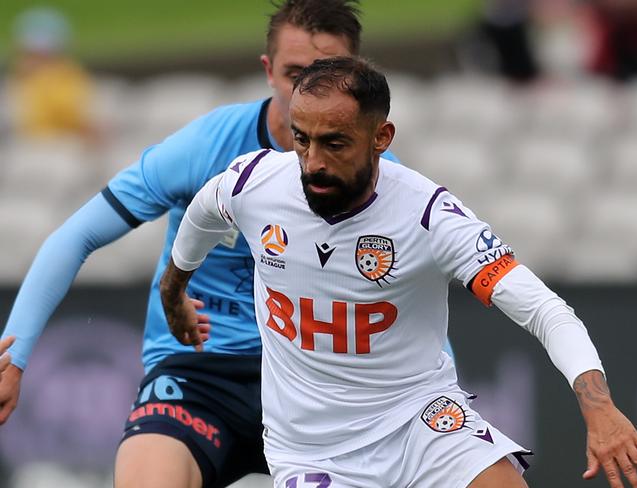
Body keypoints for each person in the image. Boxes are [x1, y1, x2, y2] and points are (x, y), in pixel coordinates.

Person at [0, 1, 453, 487]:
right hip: (199, 374)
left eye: (326, 77)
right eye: (295, 73)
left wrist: (443, 397)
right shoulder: (209, 147)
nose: (307, 94)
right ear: (268, 70)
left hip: (322, 388)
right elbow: (78, 234)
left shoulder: (388, 186)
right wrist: (15, 356)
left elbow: (413, 307)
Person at [160, 56, 637, 487]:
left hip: (421, 419)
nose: (312, 163)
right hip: (314, 449)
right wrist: (174, 287)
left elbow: (545, 310)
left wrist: (599, 407)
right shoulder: (255, 183)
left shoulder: (428, 216)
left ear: (381, 137)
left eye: (334, 144)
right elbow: (203, 213)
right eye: (302, 140)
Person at [6, 7, 99, 141]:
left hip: (56, 141)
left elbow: (72, 112)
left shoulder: (63, 76)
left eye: (37, 55)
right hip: (35, 140)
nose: (29, 61)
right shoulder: (21, 79)